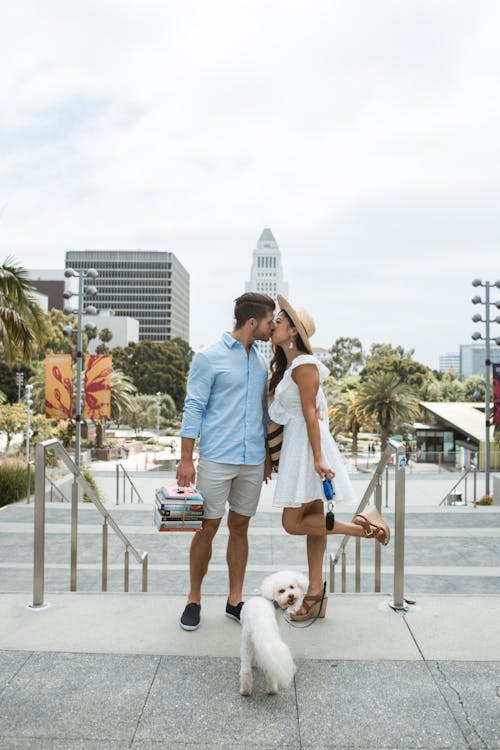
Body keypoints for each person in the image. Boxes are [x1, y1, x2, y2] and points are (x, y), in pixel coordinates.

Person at [268, 295, 390, 621]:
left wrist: (319, 459)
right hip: (300, 445)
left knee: (292, 523)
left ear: (293, 331)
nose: (273, 325)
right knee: (313, 530)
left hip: (308, 448)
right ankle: (315, 597)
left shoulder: (304, 365)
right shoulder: (291, 367)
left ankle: (363, 529)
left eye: (279, 321)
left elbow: (311, 414)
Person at [176, 292, 276, 631]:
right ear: (252, 322)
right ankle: (193, 598)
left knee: (240, 527)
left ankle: (235, 601)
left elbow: (262, 413)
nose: (271, 327)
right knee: (208, 527)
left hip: (252, 461)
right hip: (217, 458)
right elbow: (193, 407)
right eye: (268, 321)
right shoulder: (208, 357)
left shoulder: (260, 363)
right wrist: (186, 458)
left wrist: (265, 456)